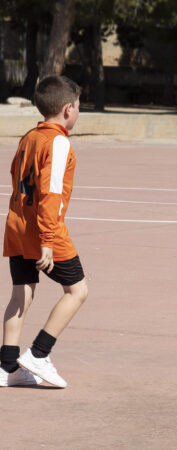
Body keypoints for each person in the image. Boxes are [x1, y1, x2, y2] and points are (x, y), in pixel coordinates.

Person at [0, 75, 88, 388]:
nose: (79, 111)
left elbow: (15, 175)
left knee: (21, 293)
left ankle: (7, 367)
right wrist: (48, 241)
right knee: (78, 291)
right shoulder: (58, 142)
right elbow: (51, 193)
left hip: (17, 224)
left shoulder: (29, 137)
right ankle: (39, 354)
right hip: (43, 230)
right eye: (78, 107)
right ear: (67, 109)